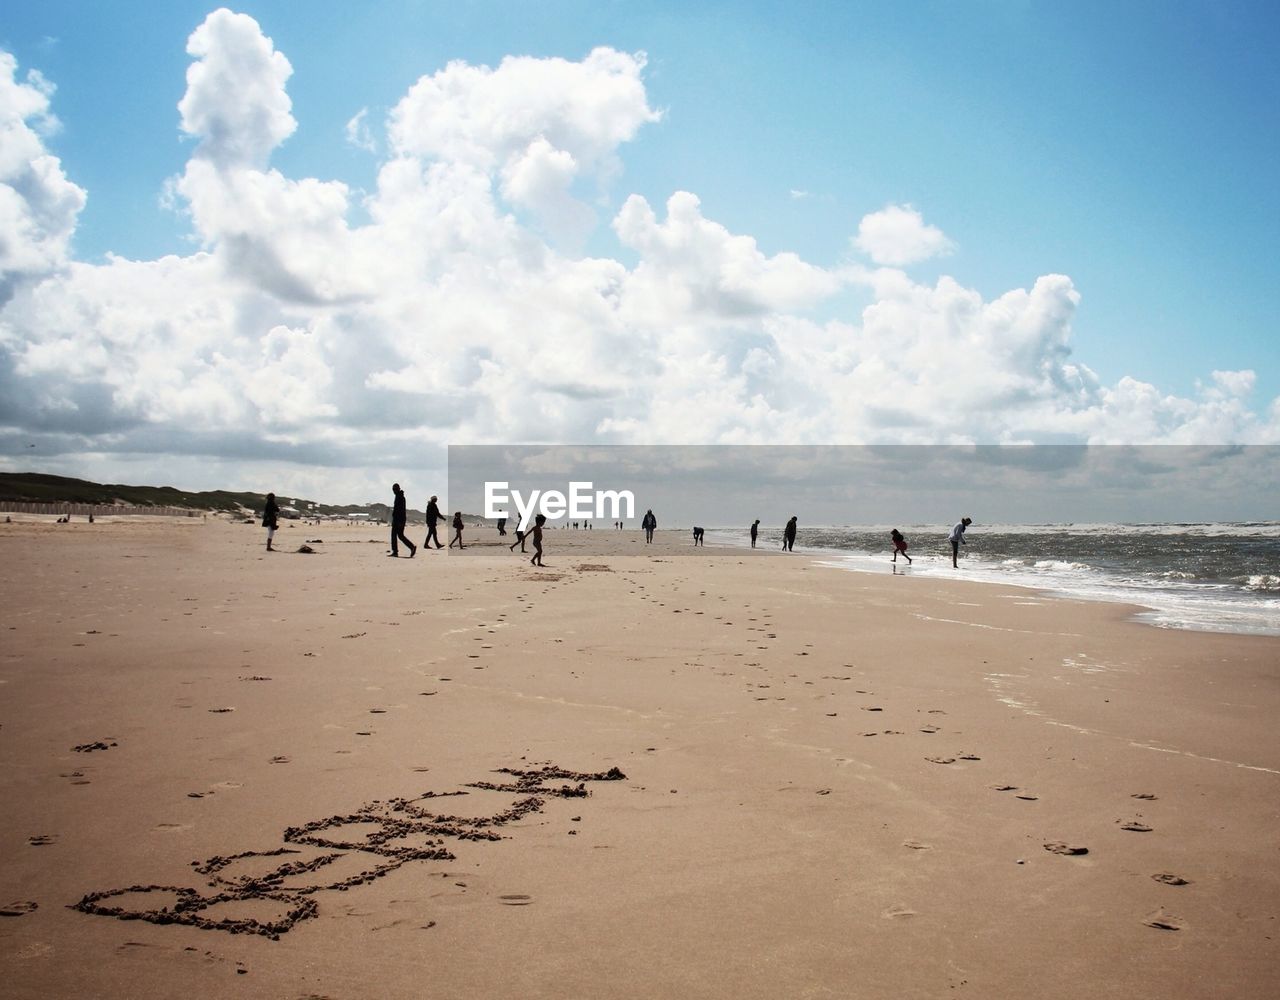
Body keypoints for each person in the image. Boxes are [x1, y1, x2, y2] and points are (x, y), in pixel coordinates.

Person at [389, 483, 416, 558]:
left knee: (394, 535)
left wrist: (399, 521)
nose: (393, 491)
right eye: (393, 489)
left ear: (397, 489)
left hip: (398, 520)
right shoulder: (400, 496)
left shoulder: (399, 497)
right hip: (400, 520)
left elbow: (400, 510)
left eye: (394, 489)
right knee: (400, 536)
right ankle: (412, 547)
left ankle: (395, 552)